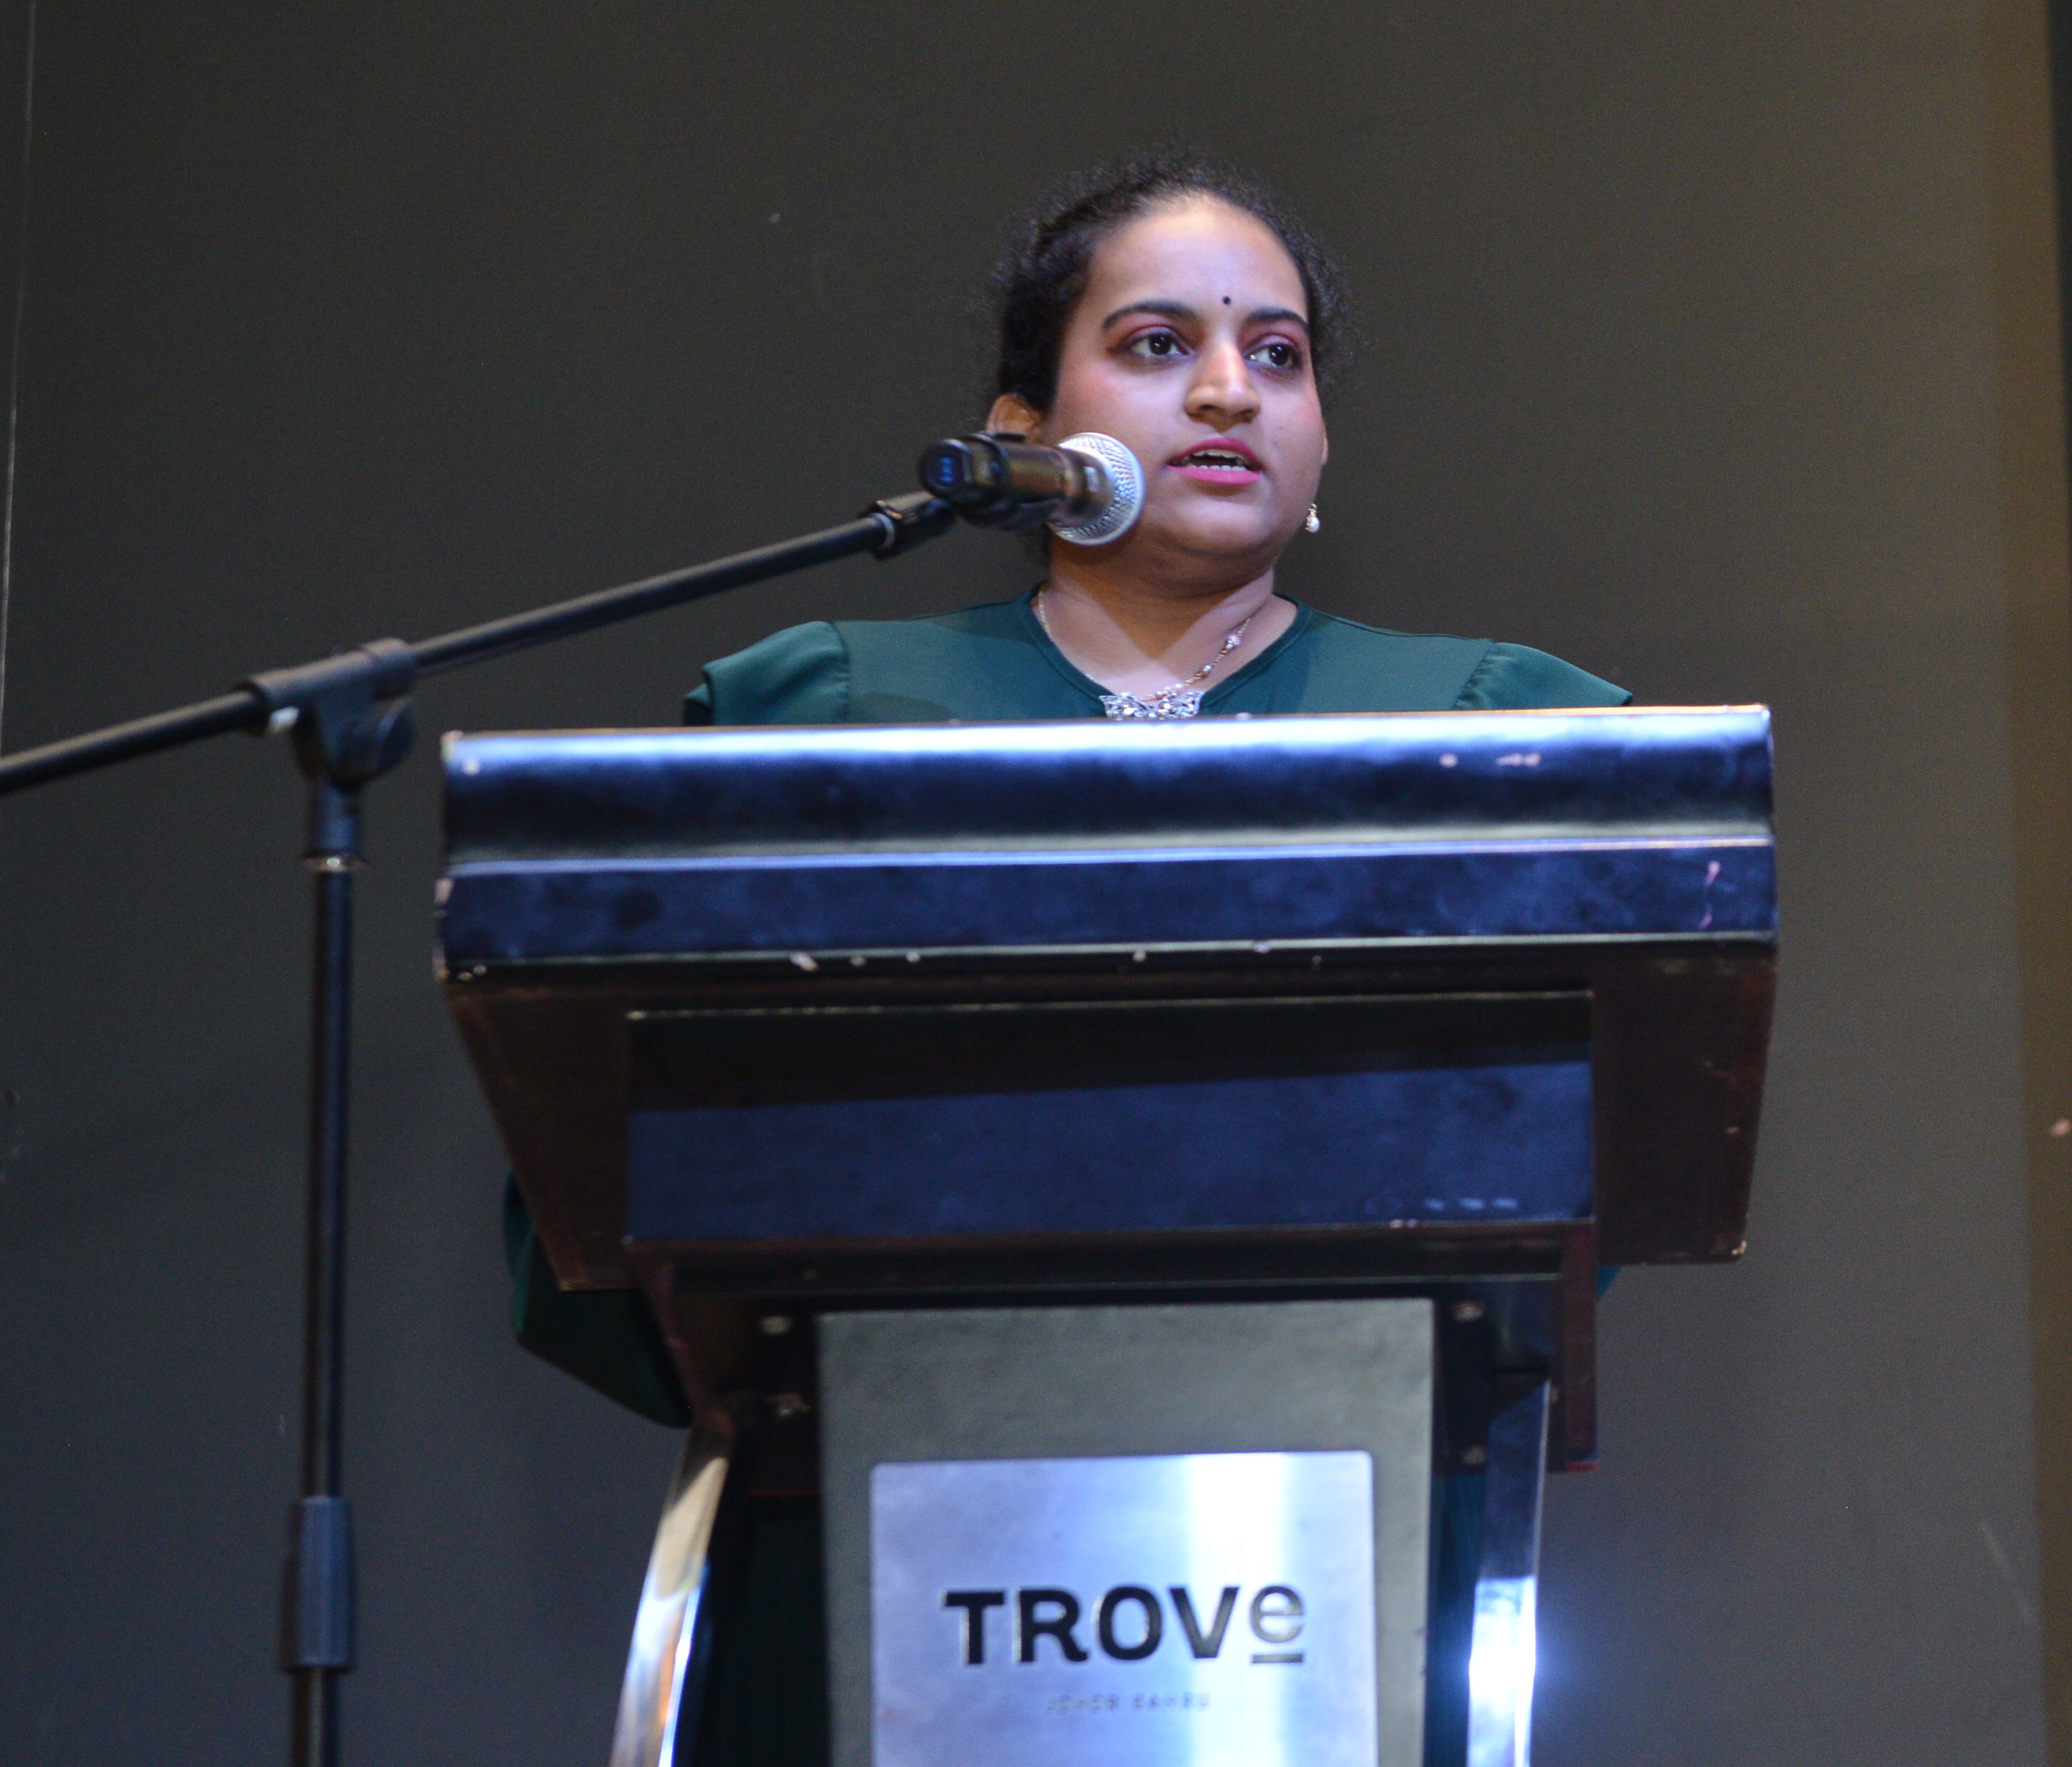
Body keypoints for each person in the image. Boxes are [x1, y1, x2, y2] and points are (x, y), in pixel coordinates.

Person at [502, 152, 1627, 1766]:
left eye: (1278, 353)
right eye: (1159, 343)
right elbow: (606, 1184)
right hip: (875, 1538)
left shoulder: (1490, 731)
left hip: (1336, 1539)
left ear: (1320, 443)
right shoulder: (826, 715)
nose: (1229, 388)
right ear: (1024, 432)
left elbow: (1584, 1165)